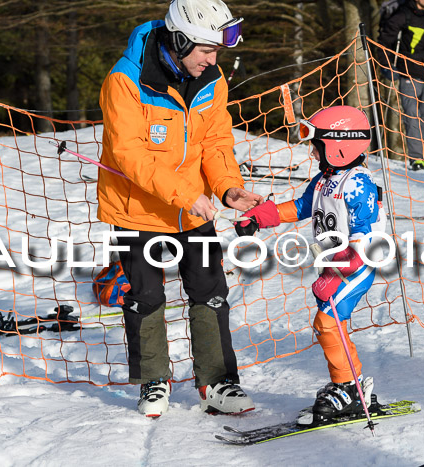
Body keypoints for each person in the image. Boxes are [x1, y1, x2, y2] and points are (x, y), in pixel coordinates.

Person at [97, 0, 263, 418]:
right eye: (206, 50)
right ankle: (153, 379)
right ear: (180, 40)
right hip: (137, 207)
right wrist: (184, 194)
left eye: (216, 52)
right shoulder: (125, 80)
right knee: (147, 294)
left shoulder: (213, 78)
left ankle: (219, 380)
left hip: (194, 208)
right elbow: (128, 154)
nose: (212, 61)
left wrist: (228, 189)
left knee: (210, 289)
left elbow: (216, 143)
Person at [234, 105, 383, 424]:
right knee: (334, 322)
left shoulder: (358, 184)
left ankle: (347, 388)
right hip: (333, 263)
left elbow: (364, 237)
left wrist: (340, 271)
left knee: (326, 322)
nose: (314, 154)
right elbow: (303, 206)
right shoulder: (326, 178)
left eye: (318, 147)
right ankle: (354, 386)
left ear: (339, 147)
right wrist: (261, 217)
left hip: (357, 265)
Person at [378, 0, 424, 170]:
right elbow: (383, 42)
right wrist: (386, 66)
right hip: (408, 72)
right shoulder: (402, 15)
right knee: (412, 114)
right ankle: (416, 157)